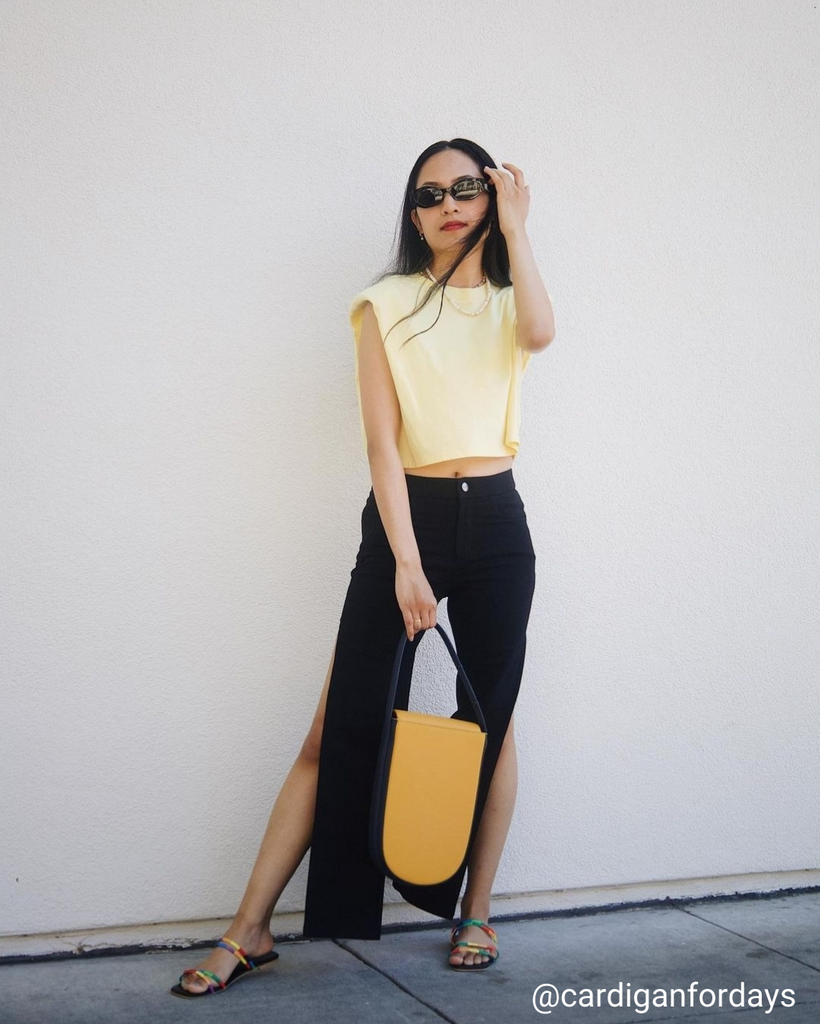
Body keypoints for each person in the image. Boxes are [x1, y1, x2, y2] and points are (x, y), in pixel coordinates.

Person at [171, 137, 555, 997]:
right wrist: (406, 562)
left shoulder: (508, 299)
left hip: (497, 521)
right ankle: (250, 929)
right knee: (338, 724)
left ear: (492, 197)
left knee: (488, 730)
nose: (448, 205)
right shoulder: (384, 304)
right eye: (429, 195)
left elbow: (542, 332)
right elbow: (381, 444)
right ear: (412, 214)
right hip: (404, 519)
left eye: (467, 187)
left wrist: (520, 232)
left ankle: (476, 911)